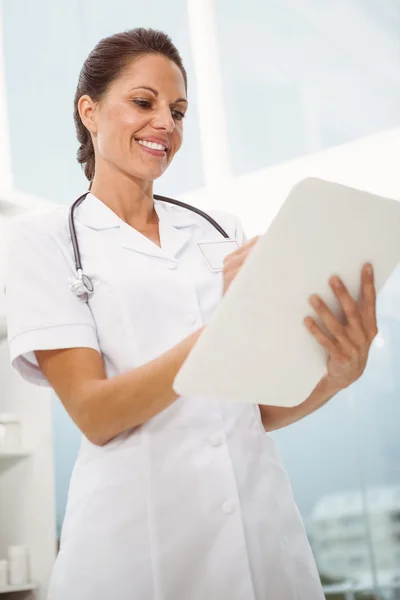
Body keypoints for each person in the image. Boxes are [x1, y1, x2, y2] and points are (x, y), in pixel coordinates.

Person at [5, 28, 378, 600]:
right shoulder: (44, 242)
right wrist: (225, 327)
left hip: (260, 529)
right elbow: (95, 413)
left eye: (178, 112)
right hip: (137, 546)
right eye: (143, 102)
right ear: (89, 111)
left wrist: (337, 374)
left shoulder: (221, 230)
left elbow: (251, 409)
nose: (166, 125)